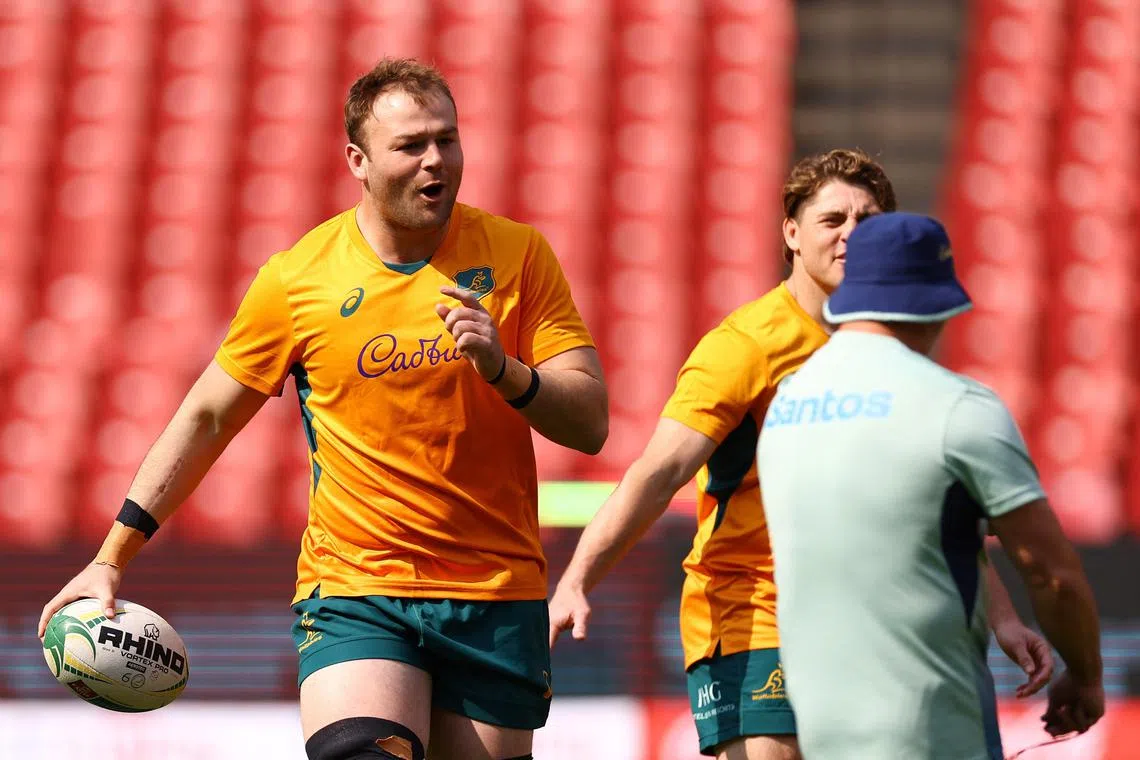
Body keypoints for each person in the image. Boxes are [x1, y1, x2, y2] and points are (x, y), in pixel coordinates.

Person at [38, 58, 608, 760]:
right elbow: (207, 418)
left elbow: (589, 423)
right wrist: (111, 558)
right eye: (410, 146)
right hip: (356, 588)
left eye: (447, 139)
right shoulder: (298, 279)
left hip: (494, 591)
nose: (436, 160)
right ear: (358, 162)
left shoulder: (519, 255)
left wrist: (505, 370)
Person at [547, 150, 1053, 759]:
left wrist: (1000, 616)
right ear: (791, 233)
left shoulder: (891, 349)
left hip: (863, 619)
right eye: (832, 219)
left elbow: (925, 509)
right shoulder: (744, 346)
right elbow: (659, 473)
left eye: (867, 221)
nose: (850, 235)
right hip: (753, 610)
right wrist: (578, 578)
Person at [757, 212, 1104, 760]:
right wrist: (1085, 677)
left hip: (820, 738)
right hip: (934, 736)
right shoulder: (960, 409)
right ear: (937, 303)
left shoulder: (785, 407)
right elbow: (1052, 574)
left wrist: (1004, 619)